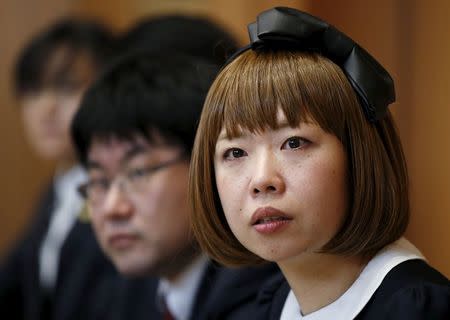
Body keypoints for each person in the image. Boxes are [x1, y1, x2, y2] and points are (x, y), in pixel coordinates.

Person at [189, 7, 450, 319]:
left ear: (359, 156)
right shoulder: (260, 308)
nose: (262, 180)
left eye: (294, 143)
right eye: (235, 153)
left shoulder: (420, 309)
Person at [71, 51, 279, 320]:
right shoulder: (126, 293)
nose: (113, 208)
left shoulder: (260, 297)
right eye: (99, 182)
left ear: (206, 166)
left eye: (138, 173)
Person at [1, 18, 117, 319]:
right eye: (33, 90)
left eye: (66, 88)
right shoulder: (55, 192)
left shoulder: (121, 197)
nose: (46, 108)